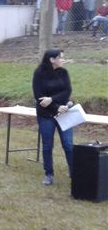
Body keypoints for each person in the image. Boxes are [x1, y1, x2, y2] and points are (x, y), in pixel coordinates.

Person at [32, 49, 73, 186]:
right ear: (51, 60)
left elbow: (67, 91)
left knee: (68, 144)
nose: (63, 59)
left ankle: (75, 172)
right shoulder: (39, 74)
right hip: (46, 115)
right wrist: (55, 106)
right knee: (47, 145)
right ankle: (49, 174)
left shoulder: (64, 72)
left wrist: (52, 99)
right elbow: (40, 98)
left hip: (64, 113)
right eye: (60, 57)